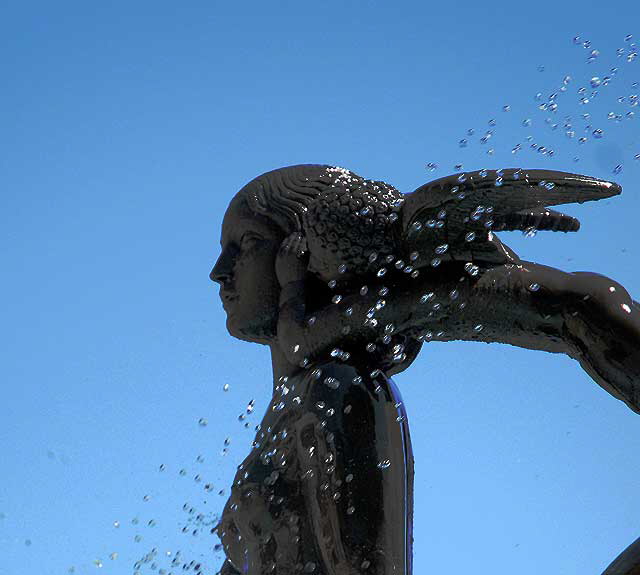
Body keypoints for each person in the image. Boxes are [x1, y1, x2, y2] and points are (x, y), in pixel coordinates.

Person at [210, 164, 640, 574]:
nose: (219, 273)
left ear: (299, 256)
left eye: (246, 244)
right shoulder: (282, 421)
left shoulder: (334, 391)